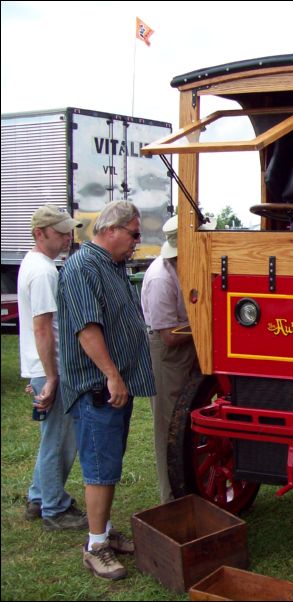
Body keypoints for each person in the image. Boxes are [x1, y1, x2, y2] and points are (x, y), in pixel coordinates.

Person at [57, 200, 156, 580]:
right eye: (133, 234)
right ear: (111, 229)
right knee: (99, 468)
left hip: (115, 386)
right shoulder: (83, 267)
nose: (136, 242)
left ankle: (104, 531)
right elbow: (87, 329)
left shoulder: (111, 266)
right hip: (98, 387)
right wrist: (112, 375)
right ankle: (95, 546)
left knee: (108, 464)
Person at [17, 205, 88, 531]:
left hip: (43, 366)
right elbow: (43, 328)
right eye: (60, 232)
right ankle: (55, 509)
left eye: (67, 231)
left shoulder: (34, 264)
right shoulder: (44, 271)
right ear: (40, 233)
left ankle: (38, 497)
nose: (66, 238)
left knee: (54, 435)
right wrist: (53, 376)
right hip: (49, 367)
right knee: (58, 439)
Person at [141, 215, 200, 503]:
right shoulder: (160, 278)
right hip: (168, 353)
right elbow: (169, 336)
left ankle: (189, 489)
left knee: (188, 421)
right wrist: (204, 326)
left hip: (187, 347)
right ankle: (170, 499)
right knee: (167, 426)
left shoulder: (183, 269)